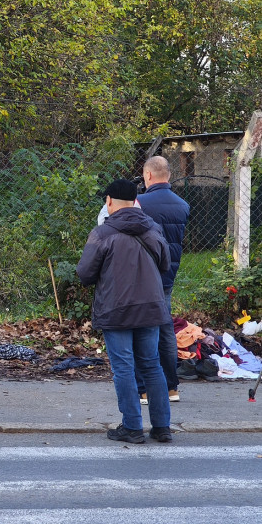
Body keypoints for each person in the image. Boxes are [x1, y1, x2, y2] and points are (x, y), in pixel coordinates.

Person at [77, 178, 173, 444]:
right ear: (135, 201)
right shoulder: (152, 229)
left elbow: (84, 273)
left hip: (116, 309)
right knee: (152, 365)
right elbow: (165, 264)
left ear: (108, 201)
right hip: (151, 307)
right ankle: (162, 427)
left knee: (124, 368)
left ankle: (132, 427)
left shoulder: (102, 234)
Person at [135, 155, 190, 405]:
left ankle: (145, 389)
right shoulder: (182, 205)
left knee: (141, 328)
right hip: (167, 276)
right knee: (166, 327)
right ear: (168, 175)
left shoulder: (140, 202)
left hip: (143, 275)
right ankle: (171, 387)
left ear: (148, 175)